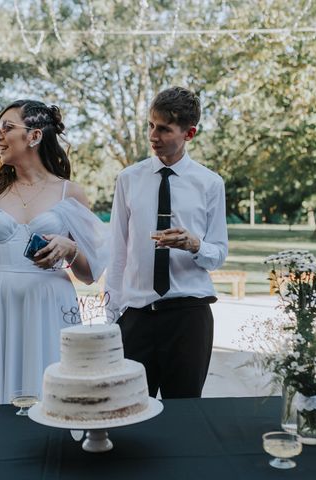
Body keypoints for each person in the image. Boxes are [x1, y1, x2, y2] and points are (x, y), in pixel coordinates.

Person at [0, 99, 107, 405]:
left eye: (7, 127)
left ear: (35, 136)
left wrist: (70, 247)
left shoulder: (70, 192)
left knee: (50, 391)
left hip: (50, 305)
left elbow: (90, 274)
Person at [105, 86, 228, 399]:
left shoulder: (210, 184)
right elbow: (118, 250)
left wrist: (195, 245)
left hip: (189, 317)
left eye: (164, 129)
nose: (153, 136)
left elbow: (219, 254)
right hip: (135, 317)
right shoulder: (128, 179)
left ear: (189, 133)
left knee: (184, 414)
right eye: (150, 125)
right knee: (128, 409)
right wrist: (114, 316)